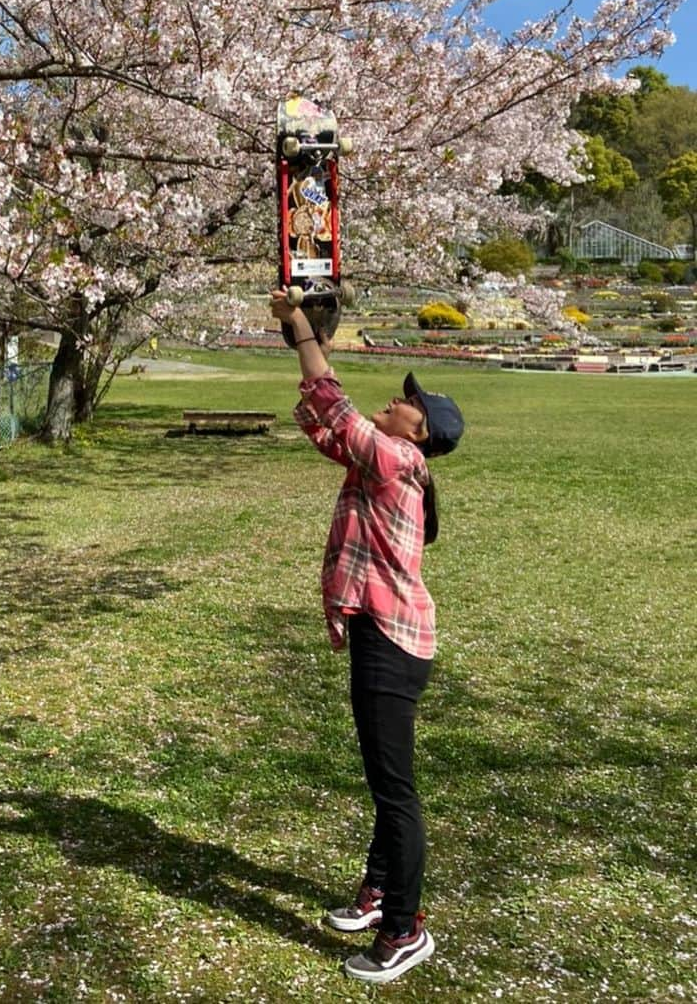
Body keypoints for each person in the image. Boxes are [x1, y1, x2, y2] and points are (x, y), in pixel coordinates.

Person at [269, 288, 464, 985]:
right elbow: (325, 425)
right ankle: (379, 890)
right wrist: (304, 332)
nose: (398, 396)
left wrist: (300, 333)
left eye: (409, 401)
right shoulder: (385, 461)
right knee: (386, 783)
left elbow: (337, 406)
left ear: (419, 433)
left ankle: (406, 928)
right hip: (383, 634)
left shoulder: (396, 463)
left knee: (395, 791)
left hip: (392, 639)